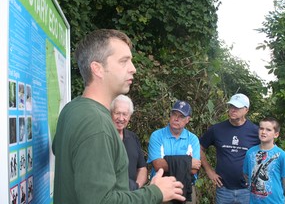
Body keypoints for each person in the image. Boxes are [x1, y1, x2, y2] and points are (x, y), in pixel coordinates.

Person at [52, 29, 185, 204]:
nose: (133, 69)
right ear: (97, 69)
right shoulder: (96, 123)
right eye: (124, 61)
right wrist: (155, 193)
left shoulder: (72, 109)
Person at [200, 93, 260, 204]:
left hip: (247, 190)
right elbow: (199, 148)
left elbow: (267, 152)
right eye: (231, 106)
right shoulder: (217, 129)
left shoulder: (256, 131)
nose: (233, 110)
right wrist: (209, 170)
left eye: (237, 107)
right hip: (223, 189)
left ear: (246, 110)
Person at [147, 100, 201, 204]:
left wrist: (168, 162)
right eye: (174, 114)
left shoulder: (192, 139)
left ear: (188, 119)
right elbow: (158, 165)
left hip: (187, 188)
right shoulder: (157, 136)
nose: (176, 119)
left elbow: (194, 169)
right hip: (161, 187)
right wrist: (188, 162)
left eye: (181, 116)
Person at [243, 117, 285, 203]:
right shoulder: (250, 152)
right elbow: (246, 174)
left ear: (276, 134)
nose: (263, 132)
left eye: (268, 130)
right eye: (261, 128)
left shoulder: (282, 156)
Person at [111, 94, 148, 190]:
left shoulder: (133, 138)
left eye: (125, 114)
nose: (121, 118)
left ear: (130, 116)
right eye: (117, 113)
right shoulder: (103, 137)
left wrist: (136, 187)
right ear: (110, 113)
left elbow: (142, 168)